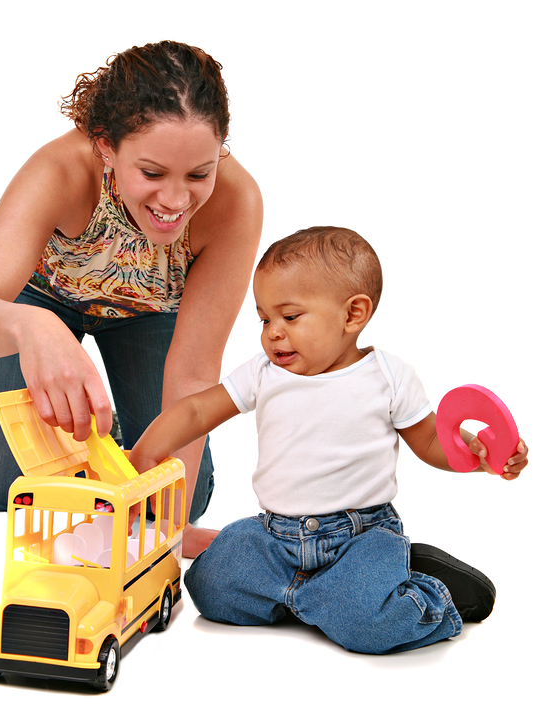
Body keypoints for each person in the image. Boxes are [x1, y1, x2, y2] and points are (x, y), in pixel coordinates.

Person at [129, 226, 529, 654]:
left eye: (290, 317)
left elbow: (432, 439)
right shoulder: (263, 372)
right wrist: (148, 449)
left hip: (361, 536)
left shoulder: (387, 376)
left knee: (370, 627)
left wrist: (479, 453)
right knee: (210, 587)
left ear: (353, 314)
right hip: (276, 535)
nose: (272, 332)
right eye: (264, 319)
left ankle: (425, 589)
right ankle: (325, 599)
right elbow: (197, 410)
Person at [0, 41, 263, 558]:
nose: (175, 200)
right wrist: (31, 327)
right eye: (152, 173)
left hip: (149, 312)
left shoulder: (236, 203)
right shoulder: (60, 171)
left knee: (180, 498)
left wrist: (169, 527)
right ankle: (97, 458)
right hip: (42, 301)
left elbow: (194, 371)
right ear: (106, 147)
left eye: (199, 174)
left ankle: (104, 463)